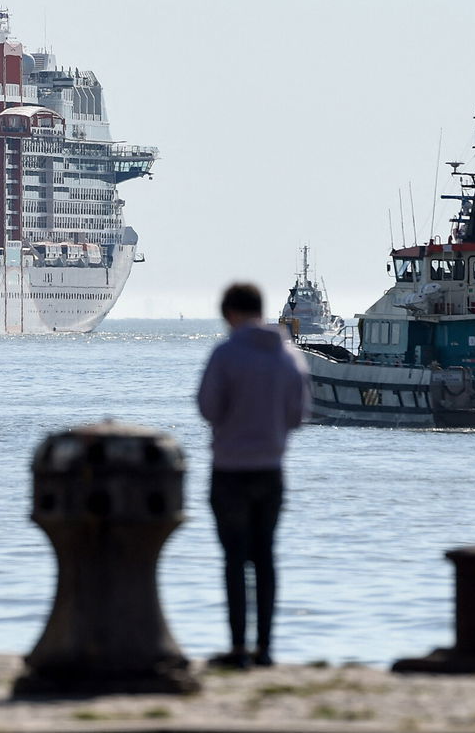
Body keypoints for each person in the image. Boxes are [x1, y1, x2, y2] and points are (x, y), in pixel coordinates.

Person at [197, 282, 309, 668]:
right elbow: (297, 417)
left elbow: (209, 408)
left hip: (229, 469)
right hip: (271, 470)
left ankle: (238, 648)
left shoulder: (225, 354)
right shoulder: (290, 357)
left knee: (234, 560)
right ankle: (265, 649)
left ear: (230, 313)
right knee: (265, 558)